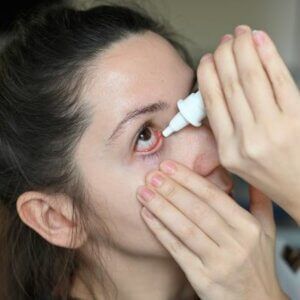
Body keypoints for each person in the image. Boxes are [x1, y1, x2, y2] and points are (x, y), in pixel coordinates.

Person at [0, 2, 295, 300]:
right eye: (143, 136)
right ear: (58, 218)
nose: (218, 152)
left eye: (196, 102)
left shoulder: (280, 259)